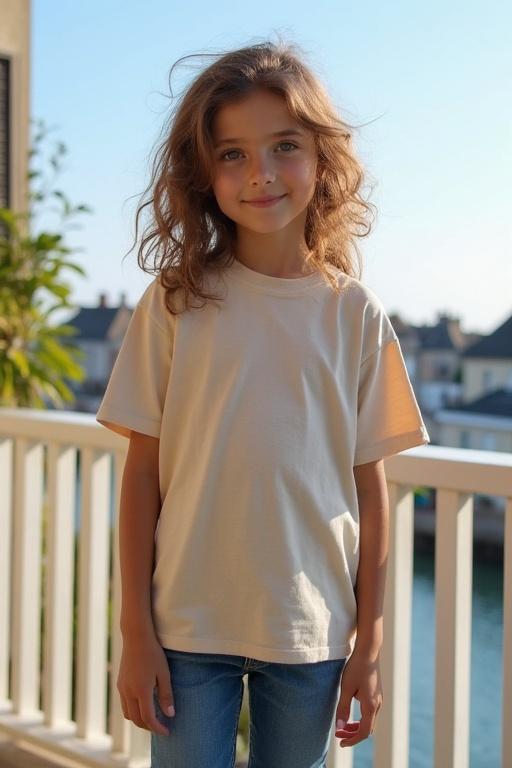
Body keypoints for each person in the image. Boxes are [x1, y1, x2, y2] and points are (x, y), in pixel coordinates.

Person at [96, 38, 430, 768]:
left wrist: (367, 646)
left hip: (309, 630)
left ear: (322, 158)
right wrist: (135, 633)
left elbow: (372, 495)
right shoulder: (176, 303)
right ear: (203, 171)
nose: (262, 175)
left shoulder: (355, 314)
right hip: (185, 628)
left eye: (284, 147)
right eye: (233, 154)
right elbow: (142, 474)